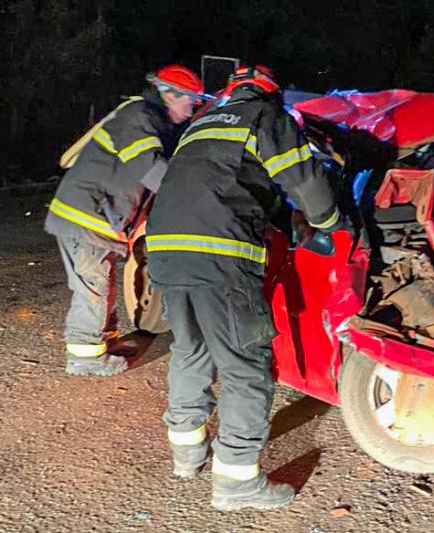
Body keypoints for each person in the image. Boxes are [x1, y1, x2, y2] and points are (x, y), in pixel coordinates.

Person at [146, 65, 342, 511]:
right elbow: (304, 180)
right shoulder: (265, 118)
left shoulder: (202, 125)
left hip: (166, 249)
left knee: (191, 349)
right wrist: (333, 224)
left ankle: (188, 454)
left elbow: (228, 185)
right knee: (246, 365)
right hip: (219, 254)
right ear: (271, 96)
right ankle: (236, 480)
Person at [44, 65, 205, 376]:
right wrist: (194, 198)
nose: (192, 107)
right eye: (190, 100)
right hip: (86, 218)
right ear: (170, 95)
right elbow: (149, 167)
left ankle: (103, 343)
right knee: (93, 286)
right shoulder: (139, 117)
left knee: (101, 283)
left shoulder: (150, 120)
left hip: (93, 217)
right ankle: (85, 358)